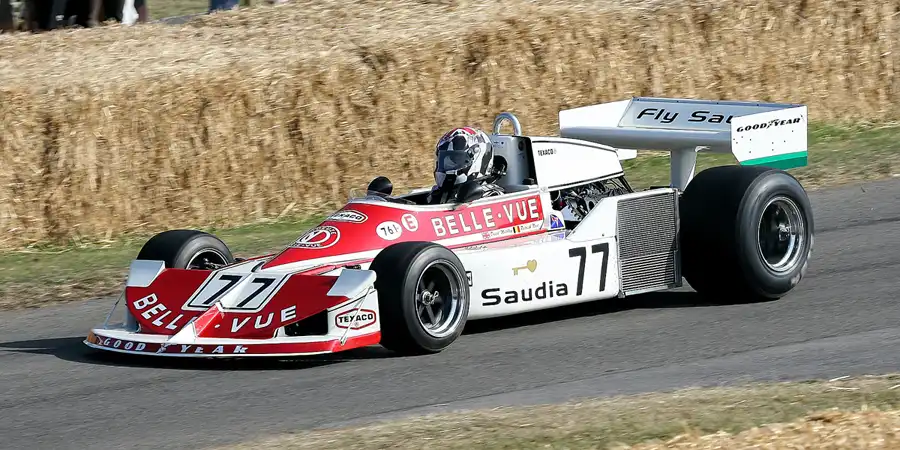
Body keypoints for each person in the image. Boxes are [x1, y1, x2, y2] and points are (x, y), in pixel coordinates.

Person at [426, 127, 504, 204]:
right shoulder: (439, 194)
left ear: (478, 160)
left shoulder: (493, 197)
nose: (447, 166)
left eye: (456, 160)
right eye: (444, 160)